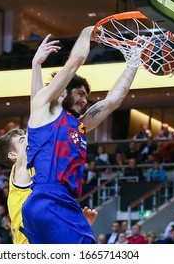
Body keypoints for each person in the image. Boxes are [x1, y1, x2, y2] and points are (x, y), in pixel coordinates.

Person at [23, 25, 139, 244]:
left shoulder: (78, 124)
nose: (85, 100)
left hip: (45, 205)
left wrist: (133, 63)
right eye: (80, 94)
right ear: (63, 91)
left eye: (86, 97)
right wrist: (88, 31)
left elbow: (113, 101)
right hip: (51, 199)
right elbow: (76, 60)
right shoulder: (45, 109)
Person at [0, 34, 97, 244]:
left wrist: (36, 67)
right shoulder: (20, 168)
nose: (29, 138)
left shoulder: (33, 167)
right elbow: (37, 107)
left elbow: (37, 111)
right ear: (13, 155)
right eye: (23, 140)